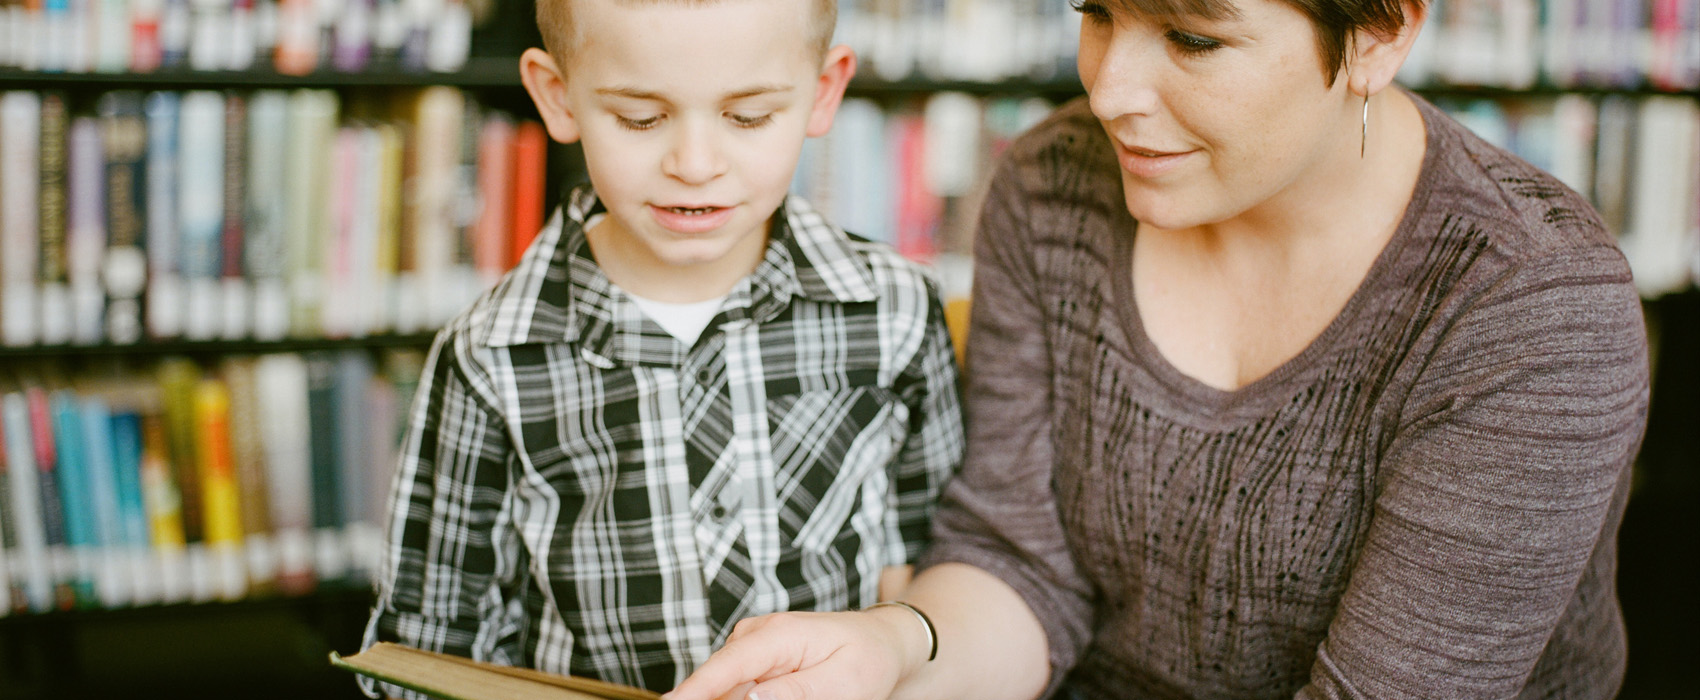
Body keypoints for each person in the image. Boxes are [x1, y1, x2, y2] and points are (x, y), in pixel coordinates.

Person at [665, 0, 1650, 698]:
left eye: (1190, 34)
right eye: (1095, 12)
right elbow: (1020, 568)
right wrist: (889, 649)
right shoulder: (1051, 187)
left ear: (1376, 33)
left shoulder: (1527, 303)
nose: (1107, 90)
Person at [358, 0, 965, 696]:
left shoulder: (895, 308)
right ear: (559, 99)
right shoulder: (492, 355)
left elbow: (937, 556)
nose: (695, 164)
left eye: (748, 117)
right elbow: (427, 649)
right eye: (641, 118)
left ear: (824, 92)